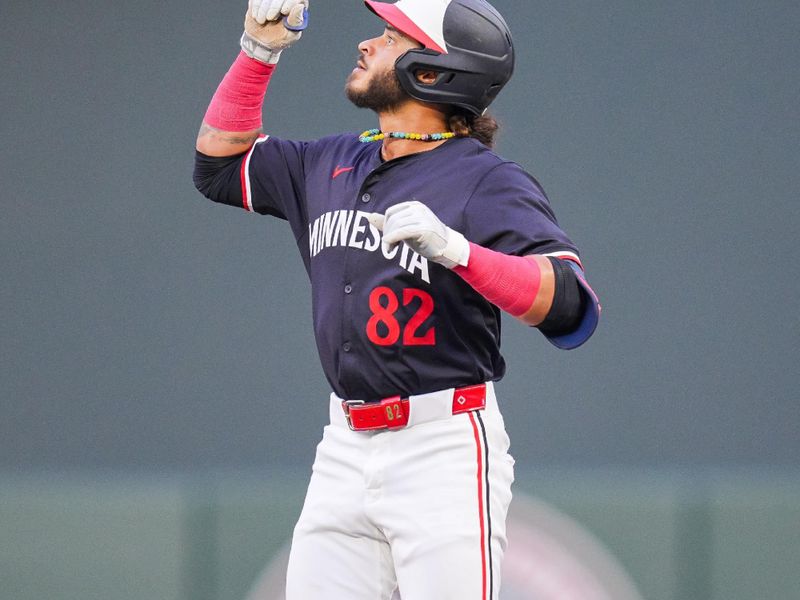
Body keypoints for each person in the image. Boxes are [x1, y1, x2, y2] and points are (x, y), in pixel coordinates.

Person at [193, 0, 600, 597]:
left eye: (389, 37)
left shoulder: (485, 181)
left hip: (444, 447)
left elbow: (569, 303)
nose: (367, 44)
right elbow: (219, 165)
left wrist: (461, 253)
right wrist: (259, 50)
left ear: (433, 70)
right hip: (344, 446)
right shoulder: (330, 160)